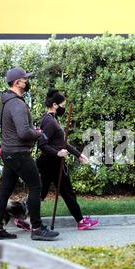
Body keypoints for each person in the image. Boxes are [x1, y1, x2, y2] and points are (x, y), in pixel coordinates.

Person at [0, 67, 59, 241]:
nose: (26, 81)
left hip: (9, 152)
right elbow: (23, 133)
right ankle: (36, 228)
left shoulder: (7, 101)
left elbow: (14, 130)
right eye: (24, 79)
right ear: (16, 82)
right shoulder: (16, 104)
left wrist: (32, 131)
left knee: (5, 190)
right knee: (36, 186)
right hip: (18, 153)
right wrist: (39, 133)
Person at [37, 88, 99, 230]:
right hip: (51, 163)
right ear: (55, 105)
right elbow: (42, 144)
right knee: (62, 192)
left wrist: (78, 154)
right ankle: (81, 221)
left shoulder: (53, 119)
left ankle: (21, 214)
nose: (64, 109)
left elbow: (62, 142)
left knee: (42, 192)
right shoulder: (49, 121)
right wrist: (57, 154)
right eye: (63, 106)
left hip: (52, 162)